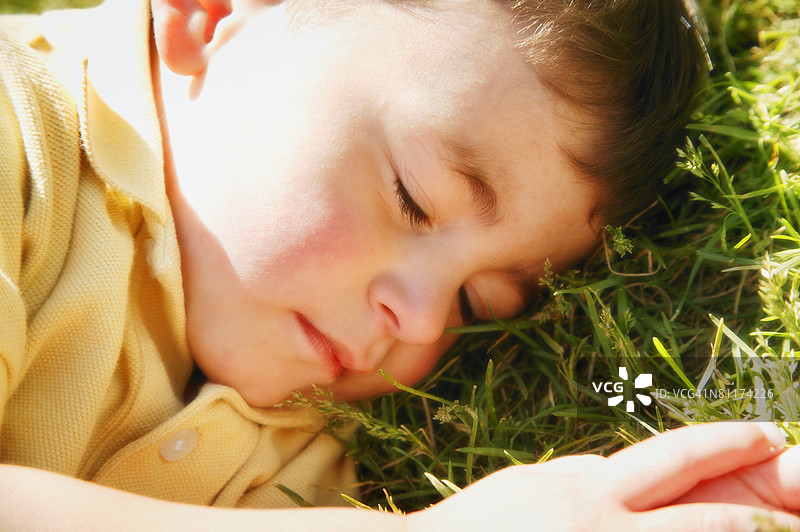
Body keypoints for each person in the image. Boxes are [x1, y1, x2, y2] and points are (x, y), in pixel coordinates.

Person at [1, 0, 800, 529]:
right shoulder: (20, 130)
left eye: (475, 306)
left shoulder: (306, 456)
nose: (420, 320)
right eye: (414, 199)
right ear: (210, 13)